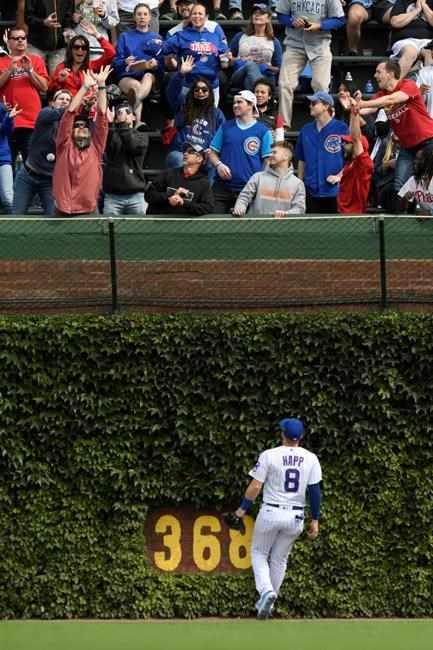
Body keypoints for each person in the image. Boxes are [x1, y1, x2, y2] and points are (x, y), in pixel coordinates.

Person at [229, 417, 321, 621]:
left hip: (271, 511)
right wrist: (315, 519)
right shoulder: (311, 458)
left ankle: (266, 592)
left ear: (283, 434)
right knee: (280, 560)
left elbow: (255, 487)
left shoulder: (270, 455)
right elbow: (315, 492)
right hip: (296, 516)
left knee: (259, 552)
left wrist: (241, 510)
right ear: (301, 436)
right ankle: (268, 604)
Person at [357, 59, 433, 211]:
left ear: (390, 74)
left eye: (379, 72)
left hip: (428, 141)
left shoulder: (408, 85)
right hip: (407, 146)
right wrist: (353, 106)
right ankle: (404, 225)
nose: (375, 75)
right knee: (400, 184)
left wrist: (363, 104)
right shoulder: (381, 94)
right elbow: (367, 110)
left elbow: (391, 99)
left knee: (429, 180)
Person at [276, 0, 345, 129]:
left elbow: (339, 19)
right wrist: (292, 22)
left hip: (320, 45)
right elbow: (281, 15)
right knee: (285, 84)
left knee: (321, 85)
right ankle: (283, 127)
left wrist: (320, 25)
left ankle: (324, 125)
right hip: (294, 44)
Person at [52, 65, 111, 215]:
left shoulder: (96, 148)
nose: (82, 127)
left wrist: (101, 85)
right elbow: (70, 112)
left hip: (89, 210)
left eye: (85, 125)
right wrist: (85, 86)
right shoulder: (63, 145)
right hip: (61, 210)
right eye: (77, 126)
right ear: (70, 132)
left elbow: (102, 117)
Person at [208, 90, 273, 214]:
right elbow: (212, 152)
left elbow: (268, 161)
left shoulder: (263, 131)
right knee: (213, 224)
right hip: (222, 187)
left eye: (239, 102)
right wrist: (219, 164)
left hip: (249, 189)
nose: (235, 105)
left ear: (250, 105)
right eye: (234, 103)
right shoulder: (226, 127)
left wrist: (261, 184)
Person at [12, 89, 72, 215]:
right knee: (17, 218)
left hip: (50, 181)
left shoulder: (70, 127)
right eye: (61, 99)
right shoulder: (45, 113)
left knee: (53, 219)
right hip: (27, 176)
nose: (65, 102)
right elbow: (63, 112)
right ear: (52, 102)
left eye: (68, 100)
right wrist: (77, 103)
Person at [163, 3, 229, 107]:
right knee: (189, 118)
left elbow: (225, 54)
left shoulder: (214, 37)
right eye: (194, 13)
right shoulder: (181, 35)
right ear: (190, 16)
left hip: (211, 86)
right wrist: (158, 46)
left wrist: (227, 57)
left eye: (200, 13)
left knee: (210, 119)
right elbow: (164, 48)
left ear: (206, 17)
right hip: (189, 84)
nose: (197, 16)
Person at [165, 59, 225, 174]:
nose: (200, 92)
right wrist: (181, 73)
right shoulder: (183, 107)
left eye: (204, 89)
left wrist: (213, 151)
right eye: (197, 90)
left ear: (210, 92)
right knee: (179, 160)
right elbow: (171, 92)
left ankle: (209, 193)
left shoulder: (217, 114)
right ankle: (178, 192)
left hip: (203, 156)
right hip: (180, 153)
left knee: (216, 165)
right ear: (192, 92)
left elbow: (222, 138)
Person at [0, 25, 49, 163]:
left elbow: (44, 87)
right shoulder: (1, 61)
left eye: (23, 38)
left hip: (31, 120)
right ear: (8, 42)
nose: (20, 40)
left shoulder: (36, 60)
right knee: (7, 165)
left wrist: (30, 70)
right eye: (16, 38)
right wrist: (9, 71)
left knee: (32, 164)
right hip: (6, 121)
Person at [294, 91, 350, 213]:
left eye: (314, 103)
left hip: (335, 190)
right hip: (311, 190)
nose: (310, 106)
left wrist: (340, 176)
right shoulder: (306, 130)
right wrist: (299, 184)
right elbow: (302, 159)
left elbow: (351, 158)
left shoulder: (341, 127)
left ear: (326, 106)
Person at [112, 3, 164, 124]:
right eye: (139, 14)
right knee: (135, 86)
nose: (142, 17)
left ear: (150, 17)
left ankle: (134, 110)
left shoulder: (157, 38)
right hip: (127, 76)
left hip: (148, 77)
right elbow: (115, 63)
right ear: (134, 17)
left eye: (145, 14)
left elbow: (162, 68)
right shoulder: (125, 36)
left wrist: (156, 65)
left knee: (148, 76)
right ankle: (138, 122)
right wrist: (125, 62)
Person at [232, 141, 306, 216]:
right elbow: (244, 197)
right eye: (270, 152)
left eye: (274, 152)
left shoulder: (298, 184)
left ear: (286, 156)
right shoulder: (258, 177)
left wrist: (285, 214)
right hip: (255, 225)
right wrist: (239, 208)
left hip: (284, 226)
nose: (270, 155)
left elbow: (299, 209)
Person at [48, 19, 115, 98]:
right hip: (69, 107)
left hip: (88, 106)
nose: (80, 50)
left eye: (84, 48)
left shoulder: (92, 65)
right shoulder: (61, 67)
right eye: (76, 47)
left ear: (87, 51)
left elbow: (111, 53)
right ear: (71, 50)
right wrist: (59, 81)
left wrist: (97, 35)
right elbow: (51, 94)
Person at [103, 102, 149, 215]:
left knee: (140, 231)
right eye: (120, 113)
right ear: (117, 119)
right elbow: (107, 141)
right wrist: (109, 123)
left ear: (134, 117)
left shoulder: (142, 136)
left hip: (136, 196)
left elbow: (131, 145)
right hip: (113, 197)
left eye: (128, 112)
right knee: (109, 231)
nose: (124, 115)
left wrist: (122, 124)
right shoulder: (113, 135)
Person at [328, 105, 375, 214]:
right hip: (341, 212)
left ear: (356, 147)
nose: (343, 144)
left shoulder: (364, 163)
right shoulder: (350, 163)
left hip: (354, 217)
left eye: (347, 143)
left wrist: (354, 110)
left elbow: (356, 138)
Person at [145, 142, 214, 215]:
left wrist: (184, 203)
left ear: (199, 159)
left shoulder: (204, 183)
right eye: (184, 151)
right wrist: (171, 196)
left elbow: (208, 208)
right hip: (158, 223)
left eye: (190, 152)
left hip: (186, 225)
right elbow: (149, 195)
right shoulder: (167, 174)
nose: (185, 154)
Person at [228, 4, 282, 92]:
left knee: (249, 80)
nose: (257, 15)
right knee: (250, 64)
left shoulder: (274, 41)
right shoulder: (240, 36)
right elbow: (228, 62)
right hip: (240, 76)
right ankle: (260, 95)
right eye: (255, 13)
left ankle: (254, 98)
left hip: (265, 77)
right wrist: (241, 59)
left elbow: (279, 69)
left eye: (261, 13)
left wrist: (267, 66)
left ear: (268, 19)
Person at [24, 0, 75, 75]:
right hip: (36, 45)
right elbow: (28, 17)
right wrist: (43, 22)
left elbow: (69, 17)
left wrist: (68, 29)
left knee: (58, 81)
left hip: (59, 47)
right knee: (35, 78)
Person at [389, 0, 433, 79]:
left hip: (428, 40)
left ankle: (429, 89)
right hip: (406, 39)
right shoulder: (402, 1)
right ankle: (394, 86)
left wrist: (424, 6)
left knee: (430, 53)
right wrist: (417, 10)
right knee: (410, 52)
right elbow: (395, 22)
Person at [398, 145, 433, 213]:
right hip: (426, 221)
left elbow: (428, 214)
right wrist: (404, 199)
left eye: (419, 159)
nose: (415, 161)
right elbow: (400, 209)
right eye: (415, 158)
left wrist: (430, 213)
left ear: (428, 162)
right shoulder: (413, 180)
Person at [0, 99, 21, 213]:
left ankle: (18, 229)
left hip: (2, 160)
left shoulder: (2, 107)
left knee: (9, 199)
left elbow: (6, 131)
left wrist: (8, 117)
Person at [254, 77, 285, 142]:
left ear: (269, 96)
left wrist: (275, 137)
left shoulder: (276, 115)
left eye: (263, 92)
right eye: (257, 92)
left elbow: (280, 140)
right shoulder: (246, 112)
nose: (259, 95)